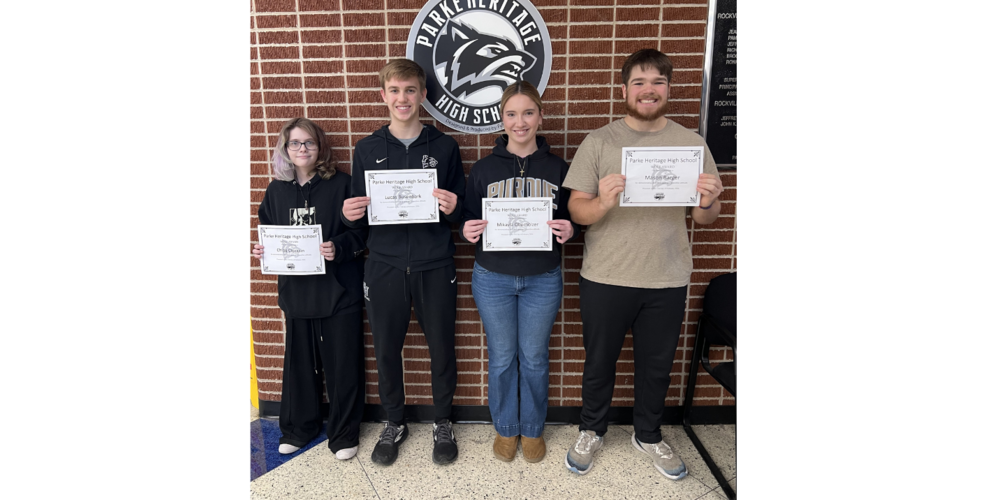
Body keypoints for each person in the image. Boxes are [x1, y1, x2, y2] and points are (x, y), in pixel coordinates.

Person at [561, 49, 725, 480]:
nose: (648, 90)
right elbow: (577, 211)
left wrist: (707, 199)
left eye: (657, 82)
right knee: (599, 361)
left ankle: (648, 434)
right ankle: (591, 430)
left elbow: (706, 217)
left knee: (657, 363)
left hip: (667, 276)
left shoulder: (691, 144)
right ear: (624, 90)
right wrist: (602, 200)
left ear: (668, 90)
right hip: (606, 275)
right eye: (639, 82)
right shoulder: (599, 142)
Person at [341, 59, 466, 466]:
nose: (402, 98)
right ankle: (395, 422)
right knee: (386, 349)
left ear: (423, 95)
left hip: (434, 264)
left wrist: (453, 208)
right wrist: (347, 216)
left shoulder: (445, 147)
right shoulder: (368, 148)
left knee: (442, 348)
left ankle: (442, 421)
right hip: (384, 265)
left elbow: (462, 217)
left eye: (410, 90)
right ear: (383, 96)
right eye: (394, 90)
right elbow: (359, 220)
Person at [460, 81, 578, 464]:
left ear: (540, 117)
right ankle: (506, 429)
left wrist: (571, 229)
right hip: (492, 276)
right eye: (512, 113)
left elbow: (574, 218)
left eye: (528, 113)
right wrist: (467, 228)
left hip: (542, 277)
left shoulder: (559, 168)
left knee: (534, 357)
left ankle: (532, 428)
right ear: (502, 118)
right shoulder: (482, 169)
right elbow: (466, 218)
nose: (520, 121)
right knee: (502, 356)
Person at [252, 117, 368, 460]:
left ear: (321, 148)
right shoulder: (276, 191)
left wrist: (339, 248)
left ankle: (344, 433)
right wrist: (262, 250)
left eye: (309, 143)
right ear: (285, 149)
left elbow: (362, 235)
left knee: (343, 363)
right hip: (297, 291)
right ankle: (299, 427)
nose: (302, 149)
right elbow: (269, 234)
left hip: (339, 288)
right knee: (299, 363)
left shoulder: (343, 185)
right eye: (295, 143)